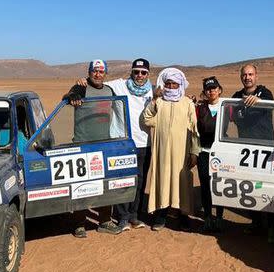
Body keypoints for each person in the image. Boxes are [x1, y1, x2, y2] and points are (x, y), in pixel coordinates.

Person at [76, 58, 154, 231]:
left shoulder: (153, 90)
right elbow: (97, 82)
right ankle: (122, 217)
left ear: (148, 74)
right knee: (121, 181)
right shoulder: (118, 86)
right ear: (131, 72)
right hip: (121, 142)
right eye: (136, 72)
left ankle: (134, 215)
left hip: (144, 143)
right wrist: (81, 82)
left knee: (139, 181)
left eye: (143, 72)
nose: (139, 75)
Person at [62, 59, 123, 238]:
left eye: (101, 71)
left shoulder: (109, 90)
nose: (98, 74)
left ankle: (105, 221)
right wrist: (72, 95)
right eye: (94, 71)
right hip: (83, 144)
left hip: (104, 144)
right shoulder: (81, 87)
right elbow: (67, 97)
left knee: (106, 185)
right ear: (89, 72)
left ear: (105, 74)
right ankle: (79, 223)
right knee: (82, 185)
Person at [141, 67, 200, 231]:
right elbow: (147, 120)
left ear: (180, 84)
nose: (172, 87)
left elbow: (195, 130)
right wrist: (153, 101)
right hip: (163, 154)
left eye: (175, 84)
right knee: (163, 181)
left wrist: (194, 152)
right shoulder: (159, 102)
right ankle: (160, 216)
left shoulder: (187, 103)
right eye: (168, 83)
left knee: (182, 184)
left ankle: (183, 216)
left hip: (182, 154)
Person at [231, 63, 274, 243]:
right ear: (241, 77)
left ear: (256, 76)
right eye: (244, 75)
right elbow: (232, 116)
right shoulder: (236, 97)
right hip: (246, 150)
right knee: (251, 187)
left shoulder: (265, 94)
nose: (247, 77)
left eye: (250, 74)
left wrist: (260, 103)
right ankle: (256, 222)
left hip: (266, 149)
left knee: (269, 188)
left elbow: (271, 106)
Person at [196, 76, 226, 232]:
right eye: (208, 89)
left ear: (219, 90)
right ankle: (207, 217)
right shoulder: (199, 108)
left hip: (221, 154)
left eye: (214, 88)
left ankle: (219, 217)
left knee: (220, 185)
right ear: (204, 92)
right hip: (204, 153)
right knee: (205, 186)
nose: (211, 91)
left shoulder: (228, 107)